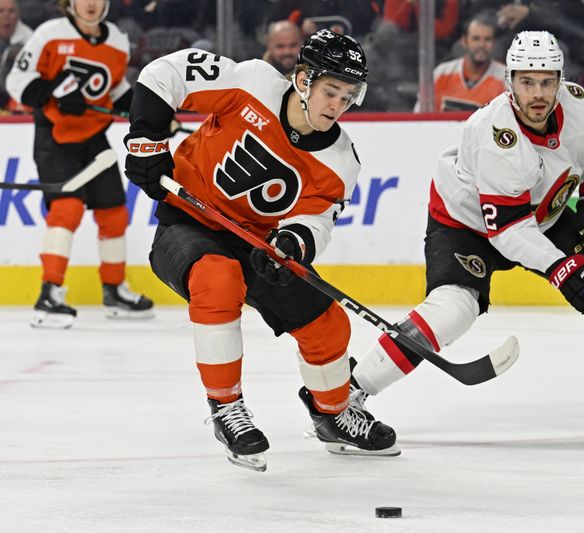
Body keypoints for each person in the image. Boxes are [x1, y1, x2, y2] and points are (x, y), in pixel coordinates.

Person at [347, 31, 584, 430]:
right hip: (466, 224)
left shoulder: (577, 103)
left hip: (543, 215)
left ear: (560, 80)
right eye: (527, 82)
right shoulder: (495, 136)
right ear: (509, 82)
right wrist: (562, 270)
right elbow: (508, 233)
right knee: (452, 312)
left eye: (546, 81)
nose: (537, 93)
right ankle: (350, 392)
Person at [123, 28, 399, 471]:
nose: (338, 106)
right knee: (217, 278)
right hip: (190, 223)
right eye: (331, 91)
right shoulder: (251, 83)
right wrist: (146, 141)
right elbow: (166, 73)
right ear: (304, 79)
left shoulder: (341, 161)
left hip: (257, 246)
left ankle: (333, 415)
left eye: (348, 96)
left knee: (327, 323)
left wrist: (293, 242)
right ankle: (226, 408)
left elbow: (316, 218)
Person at [6, 0, 154, 329]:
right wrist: (51, 92)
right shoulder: (49, 34)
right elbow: (17, 82)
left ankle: (114, 290)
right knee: (67, 209)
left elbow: (115, 89)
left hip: (93, 137)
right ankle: (49, 292)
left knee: (114, 210)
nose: (91, 3)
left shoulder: (116, 39)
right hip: (55, 136)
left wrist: (147, 115)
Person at [416, 12, 505, 112]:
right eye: (476, 39)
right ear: (464, 42)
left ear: (494, 43)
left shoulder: (505, 79)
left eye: (487, 39)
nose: (481, 45)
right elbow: (420, 118)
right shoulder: (442, 73)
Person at [0, 0, 32, 110]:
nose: (6, 16)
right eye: (1, 11)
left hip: (17, 99)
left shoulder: (30, 40)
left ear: (18, 15)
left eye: (11, 11)